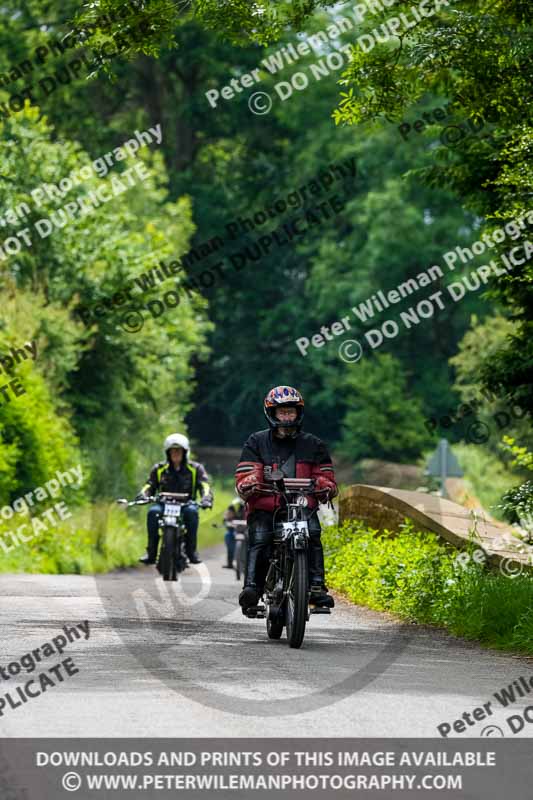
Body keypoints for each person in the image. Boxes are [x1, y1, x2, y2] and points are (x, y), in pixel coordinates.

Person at [235, 385, 337, 611]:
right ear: (271, 413)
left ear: (298, 413)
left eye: (291, 412)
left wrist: (324, 486)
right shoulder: (256, 441)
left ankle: (317, 587)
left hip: (301, 505)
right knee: (260, 538)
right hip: (265, 504)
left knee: (313, 533)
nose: (287, 417)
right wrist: (252, 481)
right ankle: (252, 588)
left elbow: (325, 474)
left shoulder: (314, 444)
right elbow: (245, 473)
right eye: (282, 412)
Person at [137, 433, 213, 566]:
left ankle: (191, 551)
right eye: (173, 451)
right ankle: (151, 552)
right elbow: (149, 485)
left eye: (179, 450)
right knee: (152, 513)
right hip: (163, 504)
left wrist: (206, 498)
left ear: (185, 452)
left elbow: (205, 486)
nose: (176, 453)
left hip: (187, 504)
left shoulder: (196, 469)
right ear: (167, 452)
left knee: (192, 513)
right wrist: (143, 495)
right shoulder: (159, 469)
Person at [222, 497, 246, 569]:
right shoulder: (232, 506)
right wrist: (228, 523)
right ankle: (230, 563)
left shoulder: (248, 507)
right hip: (234, 530)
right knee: (228, 535)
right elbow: (225, 520)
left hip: (245, 530)